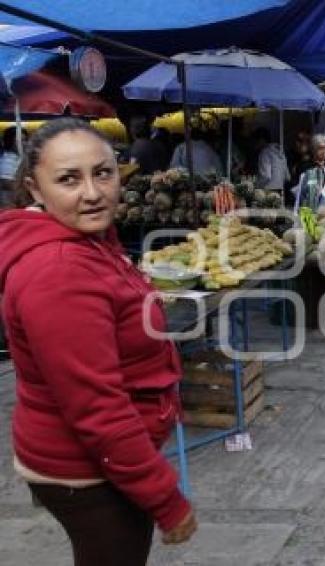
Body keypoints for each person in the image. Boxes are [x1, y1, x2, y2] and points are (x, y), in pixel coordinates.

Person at [0, 118, 196, 565]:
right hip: (88, 473)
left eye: (103, 173)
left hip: (90, 463)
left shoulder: (87, 241)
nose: (92, 192)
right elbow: (97, 407)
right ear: (34, 188)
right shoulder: (61, 270)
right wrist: (167, 501)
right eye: (68, 179)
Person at [292, 134, 325, 214]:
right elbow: (297, 193)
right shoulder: (304, 167)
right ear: (314, 149)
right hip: (309, 212)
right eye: (320, 148)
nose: (324, 152)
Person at [254, 127, 290, 192]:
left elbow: (265, 176)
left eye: (256, 141)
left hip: (268, 191)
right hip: (281, 190)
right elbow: (287, 177)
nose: (255, 144)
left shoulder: (265, 153)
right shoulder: (280, 151)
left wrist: (255, 186)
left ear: (261, 140)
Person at [0, 127, 24, 206]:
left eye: (26, 140)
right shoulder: (7, 159)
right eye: (21, 140)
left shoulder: (21, 157)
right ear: (10, 141)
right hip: (8, 202)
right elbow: (7, 183)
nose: (25, 143)